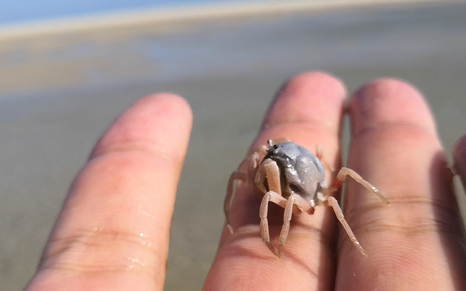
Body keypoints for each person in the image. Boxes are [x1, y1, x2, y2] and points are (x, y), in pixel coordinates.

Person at [24, 72, 466, 290]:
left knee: (338, 185)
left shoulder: (309, 182)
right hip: (294, 180)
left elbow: (314, 189)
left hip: (313, 194)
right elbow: (253, 170)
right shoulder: (269, 158)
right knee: (261, 164)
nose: (265, 155)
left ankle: (364, 224)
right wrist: (241, 190)